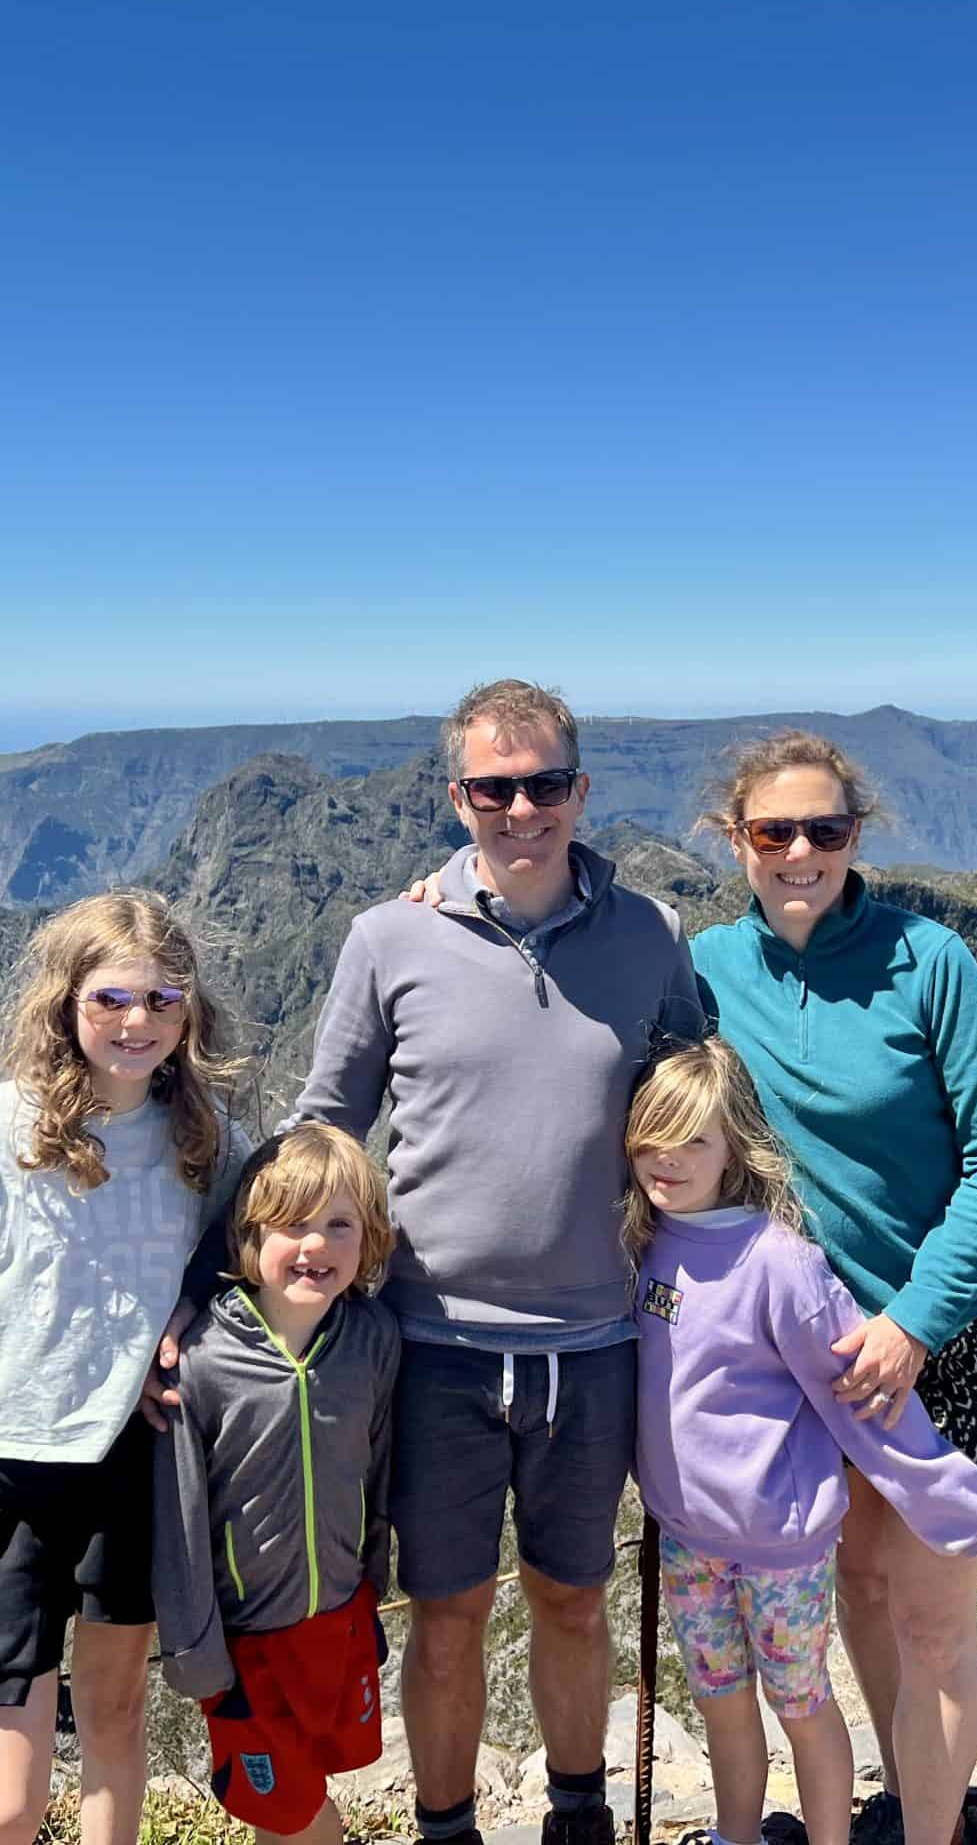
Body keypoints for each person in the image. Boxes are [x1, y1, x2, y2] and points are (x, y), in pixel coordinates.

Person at [295, 678, 699, 1845]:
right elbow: (329, 1126)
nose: (521, 810)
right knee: (449, 1612)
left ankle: (578, 1821)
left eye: (543, 785)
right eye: (493, 788)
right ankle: (447, 1827)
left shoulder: (651, 937)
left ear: (581, 789)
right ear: (458, 795)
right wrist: (247, 1298)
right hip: (434, 1349)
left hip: (598, 1345)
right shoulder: (390, 937)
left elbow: (693, 1107)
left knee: (573, 1601)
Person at [691, 731, 977, 1845]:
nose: (800, 850)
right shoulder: (702, 970)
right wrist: (449, 890)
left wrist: (916, 1324)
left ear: (856, 837)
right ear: (732, 838)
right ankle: (900, 1807)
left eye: (825, 830)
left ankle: (927, 1836)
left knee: (931, 1616)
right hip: (802, 1350)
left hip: (948, 1335)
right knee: (859, 1591)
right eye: (773, 830)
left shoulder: (929, 961)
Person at [0, 889, 252, 1845]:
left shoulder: (208, 1147)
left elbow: (238, 1269)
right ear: (64, 1003)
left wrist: (191, 1316)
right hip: (3, 1474)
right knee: (7, 1797)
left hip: (136, 1465)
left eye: (165, 1000)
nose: (138, 1022)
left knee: (118, 1723)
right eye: (111, 999)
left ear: (191, 1012)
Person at [626, 1035, 977, 1845]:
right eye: (652, 1134)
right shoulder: (644, 1245)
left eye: (693, 1138)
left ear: (734, 1145)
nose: (668, 1158)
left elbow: (857, 1398)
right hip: (690, 1541)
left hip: (779, 1549)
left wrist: (943, 1491)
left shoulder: (781, 1265)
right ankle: (738, 1834)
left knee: (800, 1707)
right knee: (722, 1704)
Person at [151, 1122, 404, 1845]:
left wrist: (372, 1588)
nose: (316, 1245)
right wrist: (197, 1653)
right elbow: (181, 1519)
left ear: (369, 1238)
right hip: (246, 1641)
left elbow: (378, 1470)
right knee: (292, 1809)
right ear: (249, 1238)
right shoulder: (200, 1364)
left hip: (337, 1619)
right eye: (292, 1225)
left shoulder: (371, 1341)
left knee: (296, 1795)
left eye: (339, 1225)